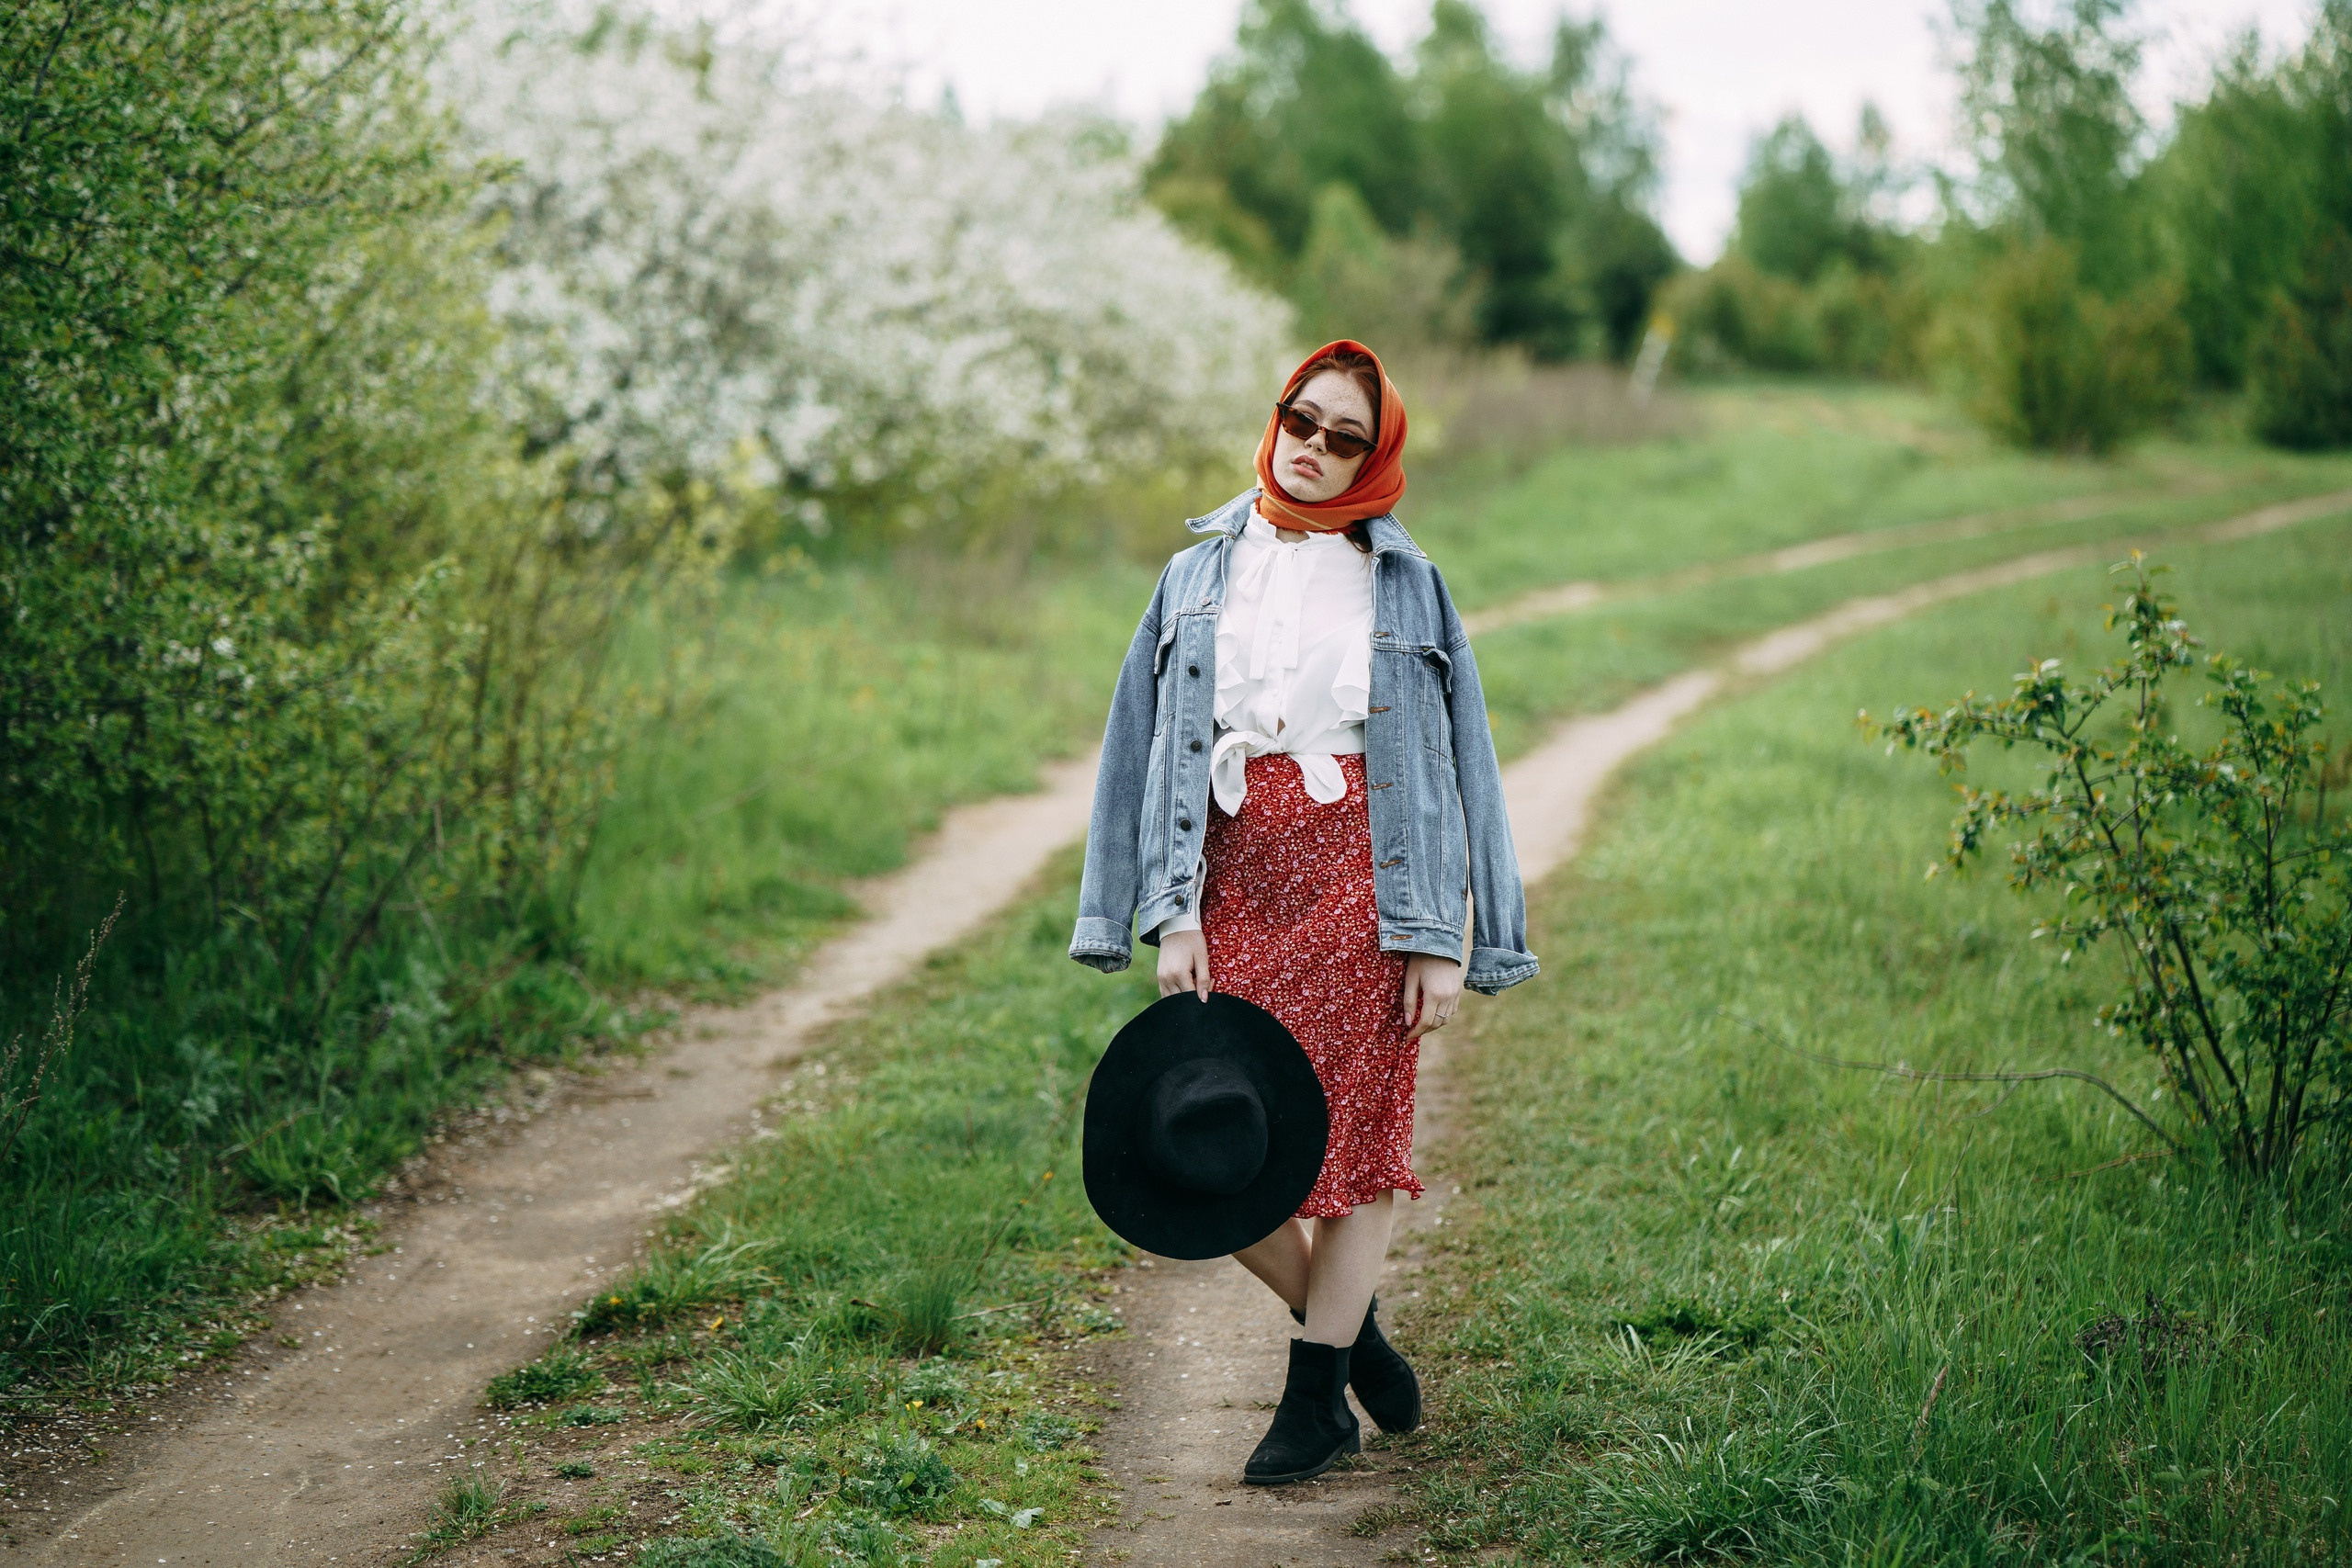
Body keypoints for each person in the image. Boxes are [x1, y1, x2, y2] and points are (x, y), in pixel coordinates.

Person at [1069, 340, 1538, 1484]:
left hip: (1366, 879)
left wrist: (1446, 937)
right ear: (1275, 417)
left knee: (1359, 1145)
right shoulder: (1195, 574)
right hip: (1232, 879)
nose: (1315, 448)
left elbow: (1462, 760)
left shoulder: (1406, 583)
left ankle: (1314, 1395)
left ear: (1374, 458)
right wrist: (1164, 911)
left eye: (1345, 438)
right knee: (1211, 1140)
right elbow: (1135, 743)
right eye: (1302, 420)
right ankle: (1353, 1337)